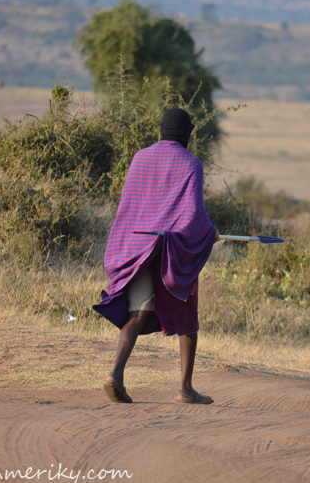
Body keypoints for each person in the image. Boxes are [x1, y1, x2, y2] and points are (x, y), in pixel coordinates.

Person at [93, 108, 218, 405]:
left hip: (137, 247)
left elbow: (130, 205)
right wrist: (209, 232)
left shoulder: (140, 157)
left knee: (137, 313)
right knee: (187, 313)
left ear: (162, 129)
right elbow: (192, 214)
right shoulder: (192, 163)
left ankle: (115, 374)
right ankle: (186, 388)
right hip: (170, 252)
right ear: (188, 133)